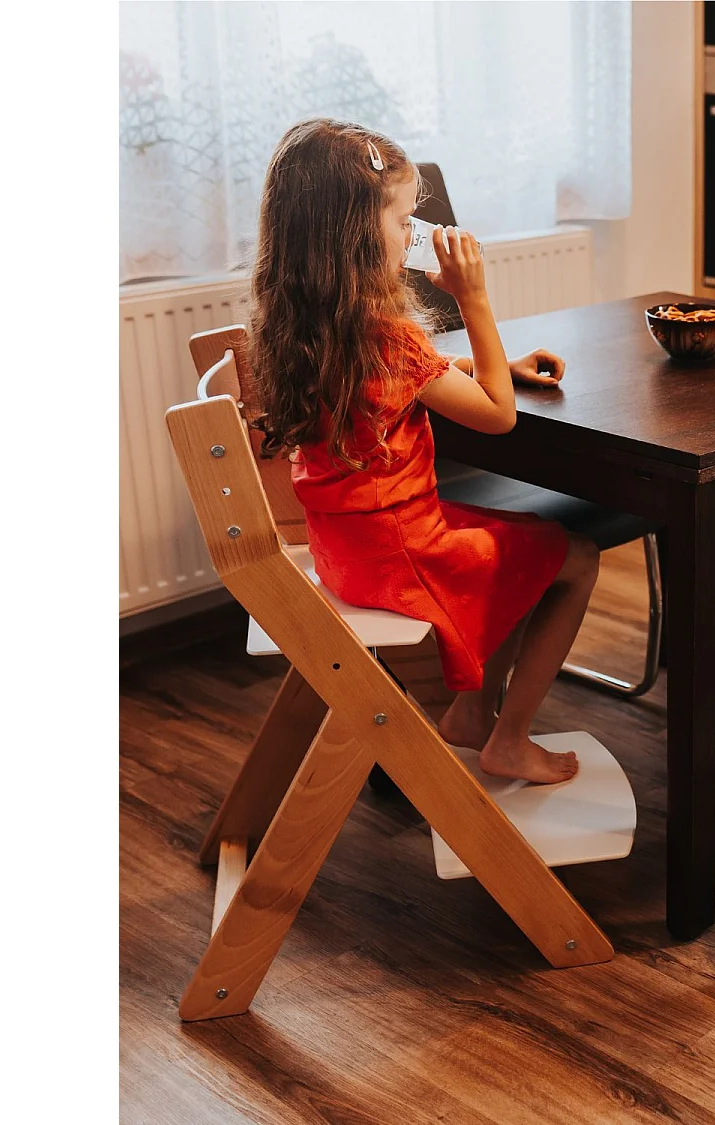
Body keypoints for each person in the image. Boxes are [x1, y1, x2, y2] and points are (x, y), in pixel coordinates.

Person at [250, 118, 598, 783]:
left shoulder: (304, 323)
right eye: (403, 220)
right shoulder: (388, 335)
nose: (409, 238)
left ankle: (472, 715)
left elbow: (401, 385)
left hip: (344, 553)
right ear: (355, 234)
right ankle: (509, 736)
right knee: (573, 555)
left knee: (525, 548)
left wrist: (486, 364)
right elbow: (498, 417)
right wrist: (474, 298)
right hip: (405, 552)